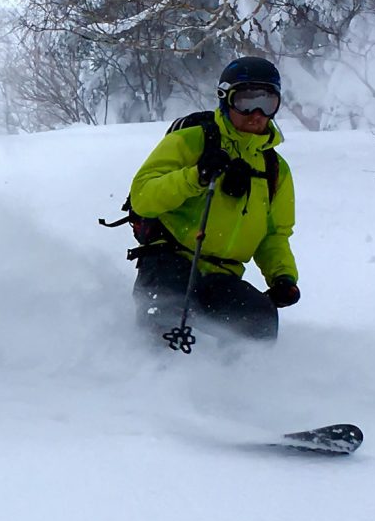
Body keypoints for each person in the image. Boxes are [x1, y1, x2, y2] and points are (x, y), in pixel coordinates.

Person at [128, 56, 300, 343]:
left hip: (223, 277)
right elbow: (143, 197)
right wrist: (196, 176)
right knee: (162, 322)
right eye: (246, 101)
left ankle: (240, 383)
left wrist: (282, 277)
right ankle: (142, 381)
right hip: (170, 261)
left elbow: (274, 235)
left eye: (267, 102)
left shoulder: (274, 169)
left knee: (260, 320)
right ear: (225, 99)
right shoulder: (192, 140)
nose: (256, 114)